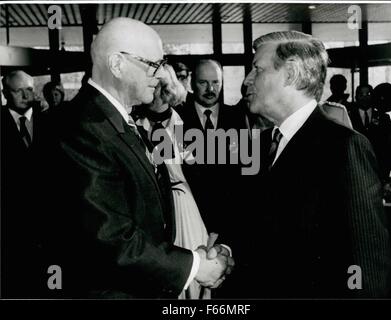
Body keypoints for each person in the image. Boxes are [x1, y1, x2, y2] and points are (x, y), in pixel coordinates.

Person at [42, 18, 232, 299]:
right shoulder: (82, 127)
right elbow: (108, 237)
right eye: (153, 64)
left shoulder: (114, 120)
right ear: (117, 64)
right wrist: (194, 267)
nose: (160, 75)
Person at [243, 30, 391, 298]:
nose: (247, 80)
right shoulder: (263, 143)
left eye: (257, 69)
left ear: (290, 74)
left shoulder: (344, 147)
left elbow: (366, 266)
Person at [136, 64, 212, 299]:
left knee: (189, 269)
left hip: (182, 203)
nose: (156, 92)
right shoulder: (135, 122)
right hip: (152, 204)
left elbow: (200, 169)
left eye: (161, 86)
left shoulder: (185, 121)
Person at [175, 59, 247, 235]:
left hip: (230, 214)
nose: (210, 89)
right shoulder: (177, 118)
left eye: (215, 82)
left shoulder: (237, 117)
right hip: (191, 214)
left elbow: (245, 166)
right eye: (203, 83)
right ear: (192, 83)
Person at [1, 70, 45, 297]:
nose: (27, 95)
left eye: (30, 89)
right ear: (6, 93)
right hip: (11, 218)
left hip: (47, 216)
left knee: (50, 277)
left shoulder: (50, 120)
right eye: (19, 91)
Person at [348, 84, 391, 181]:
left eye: (368, 94)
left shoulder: (384, 118)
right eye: (361, 94)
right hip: (355, 171)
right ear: (356, 97)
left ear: (373, 96)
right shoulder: (348, 117)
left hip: (378, 171)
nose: (365, 98)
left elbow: (388, 147)